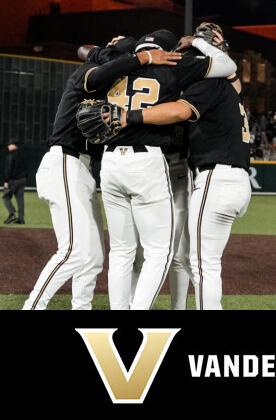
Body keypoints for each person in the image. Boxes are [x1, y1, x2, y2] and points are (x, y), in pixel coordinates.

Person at [22, 36, 181, 310]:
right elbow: (99, 70)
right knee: (73, 251)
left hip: (85, 170)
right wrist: (140, 57)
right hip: (64, 162)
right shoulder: (88, 72)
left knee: (94, 257)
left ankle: (81, 309)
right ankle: (32, 307)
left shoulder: (117, 86)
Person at [101, 29, 236, 310]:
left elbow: (86, 51)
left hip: (118, 160)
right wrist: (196, 45)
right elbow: (229, 71)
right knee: (164, 251)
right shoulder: (179, 66)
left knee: (126, 251)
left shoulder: (119, 63)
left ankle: (126, 309)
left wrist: (121, 49)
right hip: (156, 162)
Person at [2, 139, 27, 224]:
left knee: (5, 197)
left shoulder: (11, 155)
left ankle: (12, 214)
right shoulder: (22, 155)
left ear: (14, 145)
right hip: (22, 180)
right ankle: (21, 219)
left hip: (13, 180)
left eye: (10, 144)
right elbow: (26, 167)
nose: (8, 146)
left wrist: (6, 180)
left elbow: (9, 169)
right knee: (20, 200)